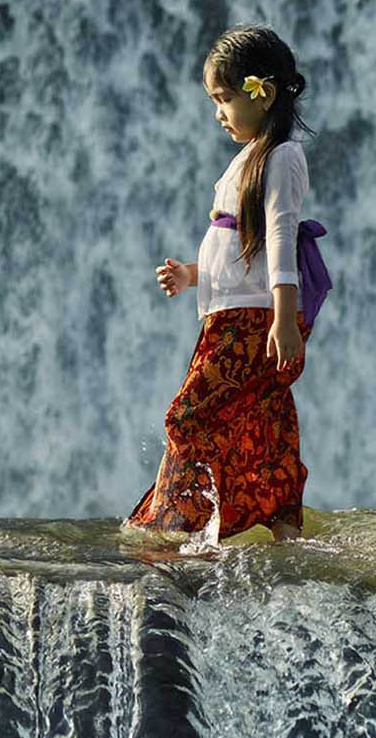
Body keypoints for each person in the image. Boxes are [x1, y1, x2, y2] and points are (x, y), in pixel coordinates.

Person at [130, 27, 320, 539]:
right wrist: (193, 275)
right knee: (265, 424)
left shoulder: (281, 155)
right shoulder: (254, 154)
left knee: (187, 418)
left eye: (226, 98)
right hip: (234, 312)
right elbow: (241, 245)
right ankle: (280, 525)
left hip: (252, 319)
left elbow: (280, 238)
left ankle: (178, 526)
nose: (218, 111)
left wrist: (284, 318)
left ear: (263, 93)